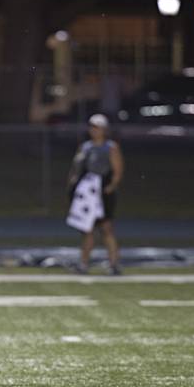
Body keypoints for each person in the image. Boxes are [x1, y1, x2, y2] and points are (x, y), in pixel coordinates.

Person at [68, 113, 124, 275]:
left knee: (106, 228)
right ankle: (84, 263)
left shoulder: (111, 147)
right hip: (87, 192)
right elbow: (76, 169)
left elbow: (118, 170)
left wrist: (111, 187)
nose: (94, 130)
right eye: (92, 127)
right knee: (87, 229)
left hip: (102, 191)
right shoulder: (85, 147)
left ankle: (114, 263)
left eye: (98, 127)